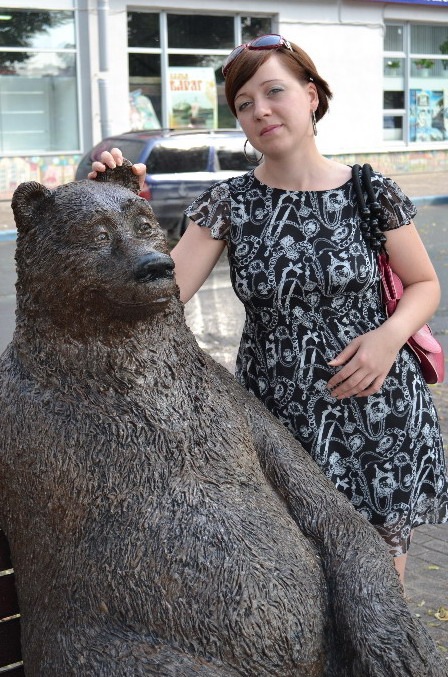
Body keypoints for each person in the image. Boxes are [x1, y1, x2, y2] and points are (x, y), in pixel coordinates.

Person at [90, 34, 448, 584]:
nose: (260, 110)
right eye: (244, 103)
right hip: (280, 430)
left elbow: (424, 284)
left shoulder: (370, 191)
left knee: (378, 592)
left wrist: (389, 337)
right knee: (293, 586)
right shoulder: (228, 204)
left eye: (274, 91)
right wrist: (116, 208)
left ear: (311, 96)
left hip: (380, 417)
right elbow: (159, 298)